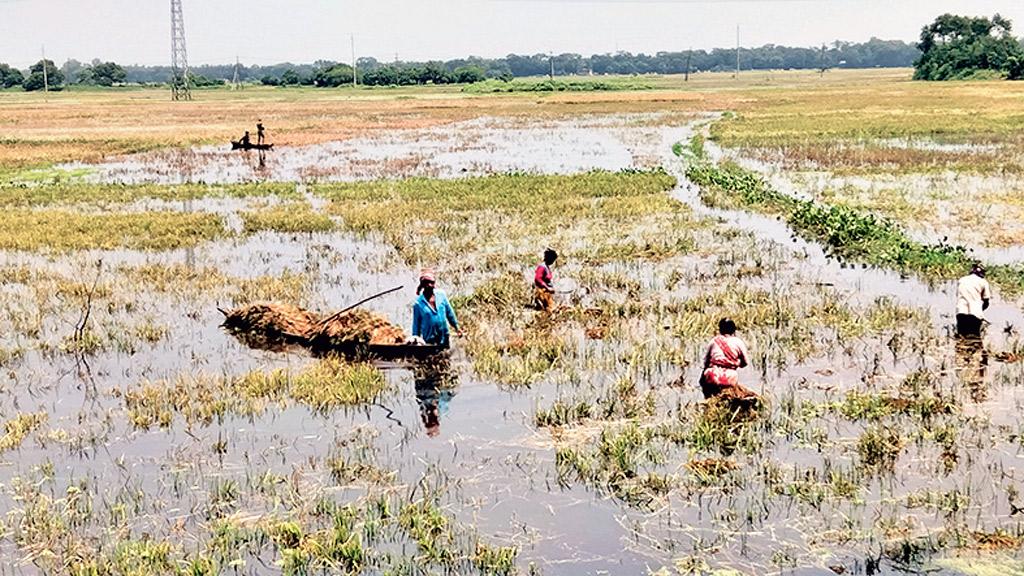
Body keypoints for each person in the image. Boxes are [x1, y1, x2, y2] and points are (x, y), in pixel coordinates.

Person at [700, 318, 757, 401]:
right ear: (734, 330)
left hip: (712, 376)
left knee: (710, 398)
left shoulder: (714, 341)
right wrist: (736, 362)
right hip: (729, 378)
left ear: (720, 330)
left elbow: (706, 362)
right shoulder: (738, 342)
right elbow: (745, 363)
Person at [412, 269, 462, 348]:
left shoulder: (441, 295)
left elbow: (449, 313)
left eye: (432, 282)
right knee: (432, 358)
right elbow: (416, 325)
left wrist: (456, 327)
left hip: (444, 335)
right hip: (429, 339)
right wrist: (415, 340)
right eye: (427, 283)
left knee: (446, 355)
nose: (430, 285)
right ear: (423, 285)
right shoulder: (418, 304)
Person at [956, 263, 991, 338]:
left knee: (961, 339)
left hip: (961, 312)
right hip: (975, 315)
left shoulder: (962, 280)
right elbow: (986, 301)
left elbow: (959, 296)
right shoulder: (983, 282)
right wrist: (981, 311)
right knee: (974, 340)